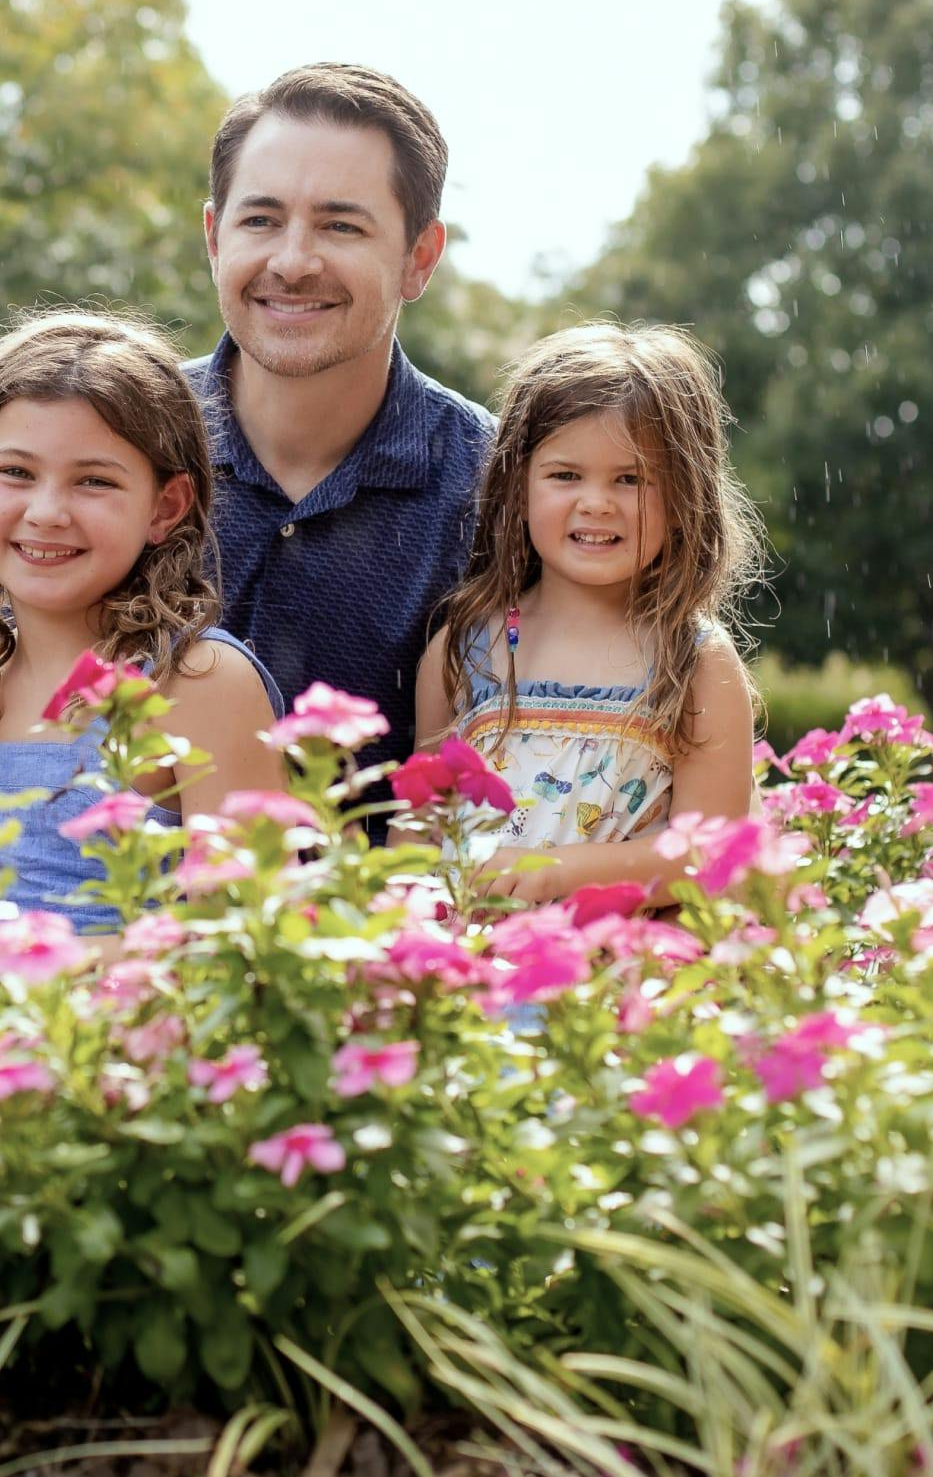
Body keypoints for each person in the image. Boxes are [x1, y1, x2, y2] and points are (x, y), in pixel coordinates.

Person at [0, 312, 285, 932]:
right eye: (16, 473)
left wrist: (32, 972)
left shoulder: (200, 683)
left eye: (93, 481)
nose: (47, 511)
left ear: (165, 507)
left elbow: (241, 946)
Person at [188, 63, 492, 781]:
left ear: (419, 258)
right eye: (260, 219)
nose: (293, 262)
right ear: (213, 236)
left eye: (340, 225)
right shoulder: (111, 446)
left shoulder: (504, 486)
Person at [413, 322, 764, 902]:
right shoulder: (461, 649)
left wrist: (557, 873)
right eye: (565, 475)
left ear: (684, 499)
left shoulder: (695, 662)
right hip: (471, 976)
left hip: (626, 978)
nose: (596, 502)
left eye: (631, 479)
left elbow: (712, 853)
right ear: (517, 487)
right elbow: (422, 826)